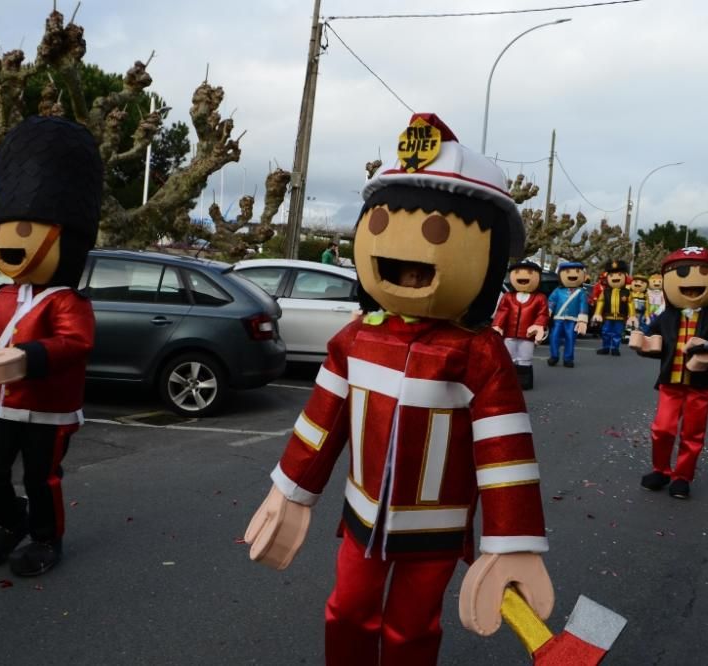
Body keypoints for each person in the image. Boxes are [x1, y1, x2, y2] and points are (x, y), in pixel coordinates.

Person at [245, 113, 552, 665]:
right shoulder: (356, 339)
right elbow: (320, 423)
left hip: (433, 531)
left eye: (437, 232)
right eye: (382, 222)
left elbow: (505, 456)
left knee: (412, 629)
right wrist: (288, 492)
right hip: (360, 520)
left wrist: (512, 544)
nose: (407, 269)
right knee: (346, 611)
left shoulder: (479, 354)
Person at [0, 116, 102, 577]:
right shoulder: (4, 296)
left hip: (49, 410)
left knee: (42, 478)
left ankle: (45, 537)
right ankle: (12, 522)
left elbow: (75, 344)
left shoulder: (68, 301)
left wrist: (28, 358)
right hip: (4, 405)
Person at [629, 247, 708, 500]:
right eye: (681, 273)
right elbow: (651, 339)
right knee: (663, 428)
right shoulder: (666, 316)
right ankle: (661, 469)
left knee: (692, 433)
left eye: (702, 273)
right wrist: (643, 345)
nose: (691, 285)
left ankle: (682, 476)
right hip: (670, 383)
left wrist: (707, 351)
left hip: (700, 386)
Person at [493, 259, 549, 390]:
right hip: (509, 334)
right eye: (517, 272)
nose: (523, 276)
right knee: (508, 357)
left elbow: (543, 314)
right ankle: (507, 380)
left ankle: (524, 381)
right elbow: (502, 311)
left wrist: (538, 325)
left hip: (527, 335)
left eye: (530, 272)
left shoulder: (540, 298)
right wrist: (497, 325)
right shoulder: (508, 296)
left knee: (525, 357)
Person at [547, 261, 589, 367]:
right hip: (558, 318)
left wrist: (582, 320)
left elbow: (583, 306)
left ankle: (568, 358)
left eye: (577, 271)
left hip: (572, 320)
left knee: (570, 338)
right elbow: (551, 301)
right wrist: (548, 311)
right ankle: (554, 356)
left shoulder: (581, 292)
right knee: (554, 337)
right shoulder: (557, 291)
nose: (573, 274)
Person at [592, 259, 638, 356]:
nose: (615, 277)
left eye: (619, 275)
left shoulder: (627, 292)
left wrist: (632, 316)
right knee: (605, 332)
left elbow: (630, 304)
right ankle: (606, 347)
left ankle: (615, 348)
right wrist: (597, 313)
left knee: (617, 333)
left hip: (620, 317)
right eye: (611, 275)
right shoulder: (605, 292)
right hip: (608, 316)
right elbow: (600, 302)